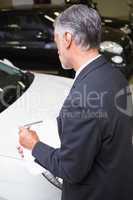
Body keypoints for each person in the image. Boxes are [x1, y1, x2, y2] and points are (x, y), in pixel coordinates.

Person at [18, 4, 133, 200]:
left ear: (67, 39)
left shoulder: (82, 100)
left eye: (56, 41)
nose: (57, 50)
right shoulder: (116, 76)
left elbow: (71, 170)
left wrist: (34, 146)